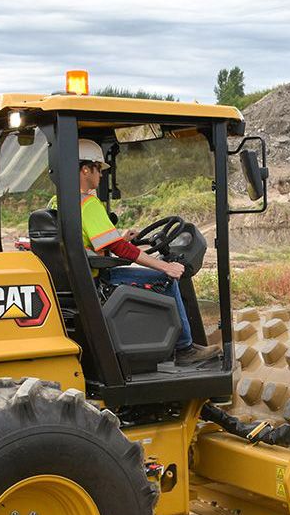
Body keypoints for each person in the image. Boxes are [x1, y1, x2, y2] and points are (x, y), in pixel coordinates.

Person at [62, 139, 219, 366]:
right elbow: (120, 250)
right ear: (85, 169)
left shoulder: (60, 202)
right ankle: (185, 349)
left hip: (81, 278)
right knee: (166, 280)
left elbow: (88, 241)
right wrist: (166, 266)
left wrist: (121, 239)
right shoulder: (88, 204)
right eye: (98, 169)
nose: (101, 175)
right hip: (97, 279)